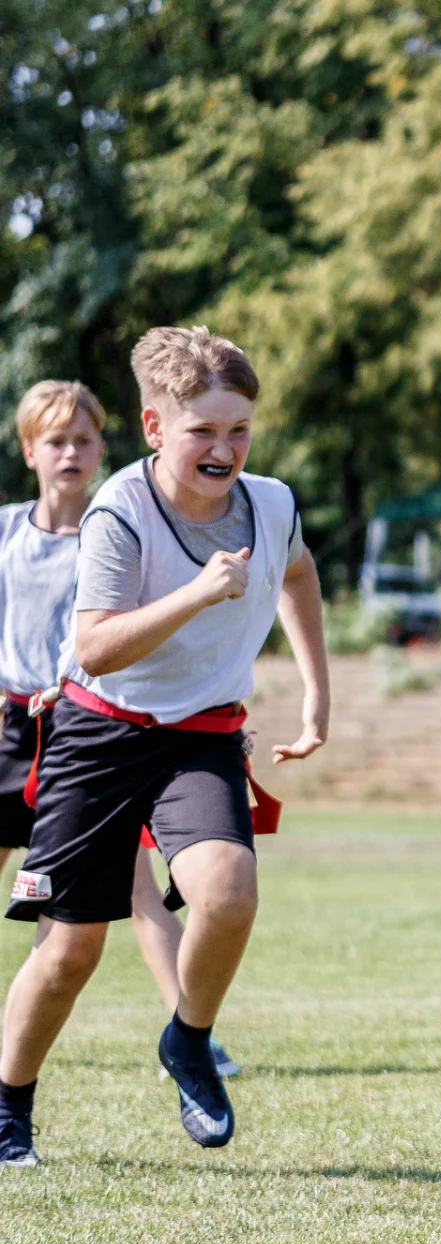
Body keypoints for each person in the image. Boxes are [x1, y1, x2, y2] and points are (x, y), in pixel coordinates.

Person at [0, 327, 329, 1165]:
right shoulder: (120, 510)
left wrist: (317, 692)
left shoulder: (273, 505)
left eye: (239, 430)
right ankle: (9, 1111)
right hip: (97, 733)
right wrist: (196, 593)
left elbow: (296, 572)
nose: (224, 448)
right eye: (203, 431)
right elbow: (96, 646)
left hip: (201, 735)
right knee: (71, 950)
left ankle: (188, 1039)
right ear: (154, 427)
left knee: (230, 893)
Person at [0, 381, 242, 1088]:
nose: (71, 453)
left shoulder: (123, 523)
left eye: (83, 440)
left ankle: (192, 1036)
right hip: (12, 725)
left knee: (135, 888)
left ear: (104, 447)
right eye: (56, 441)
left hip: (93, 728)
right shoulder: (7, 532)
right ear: (29, 451)